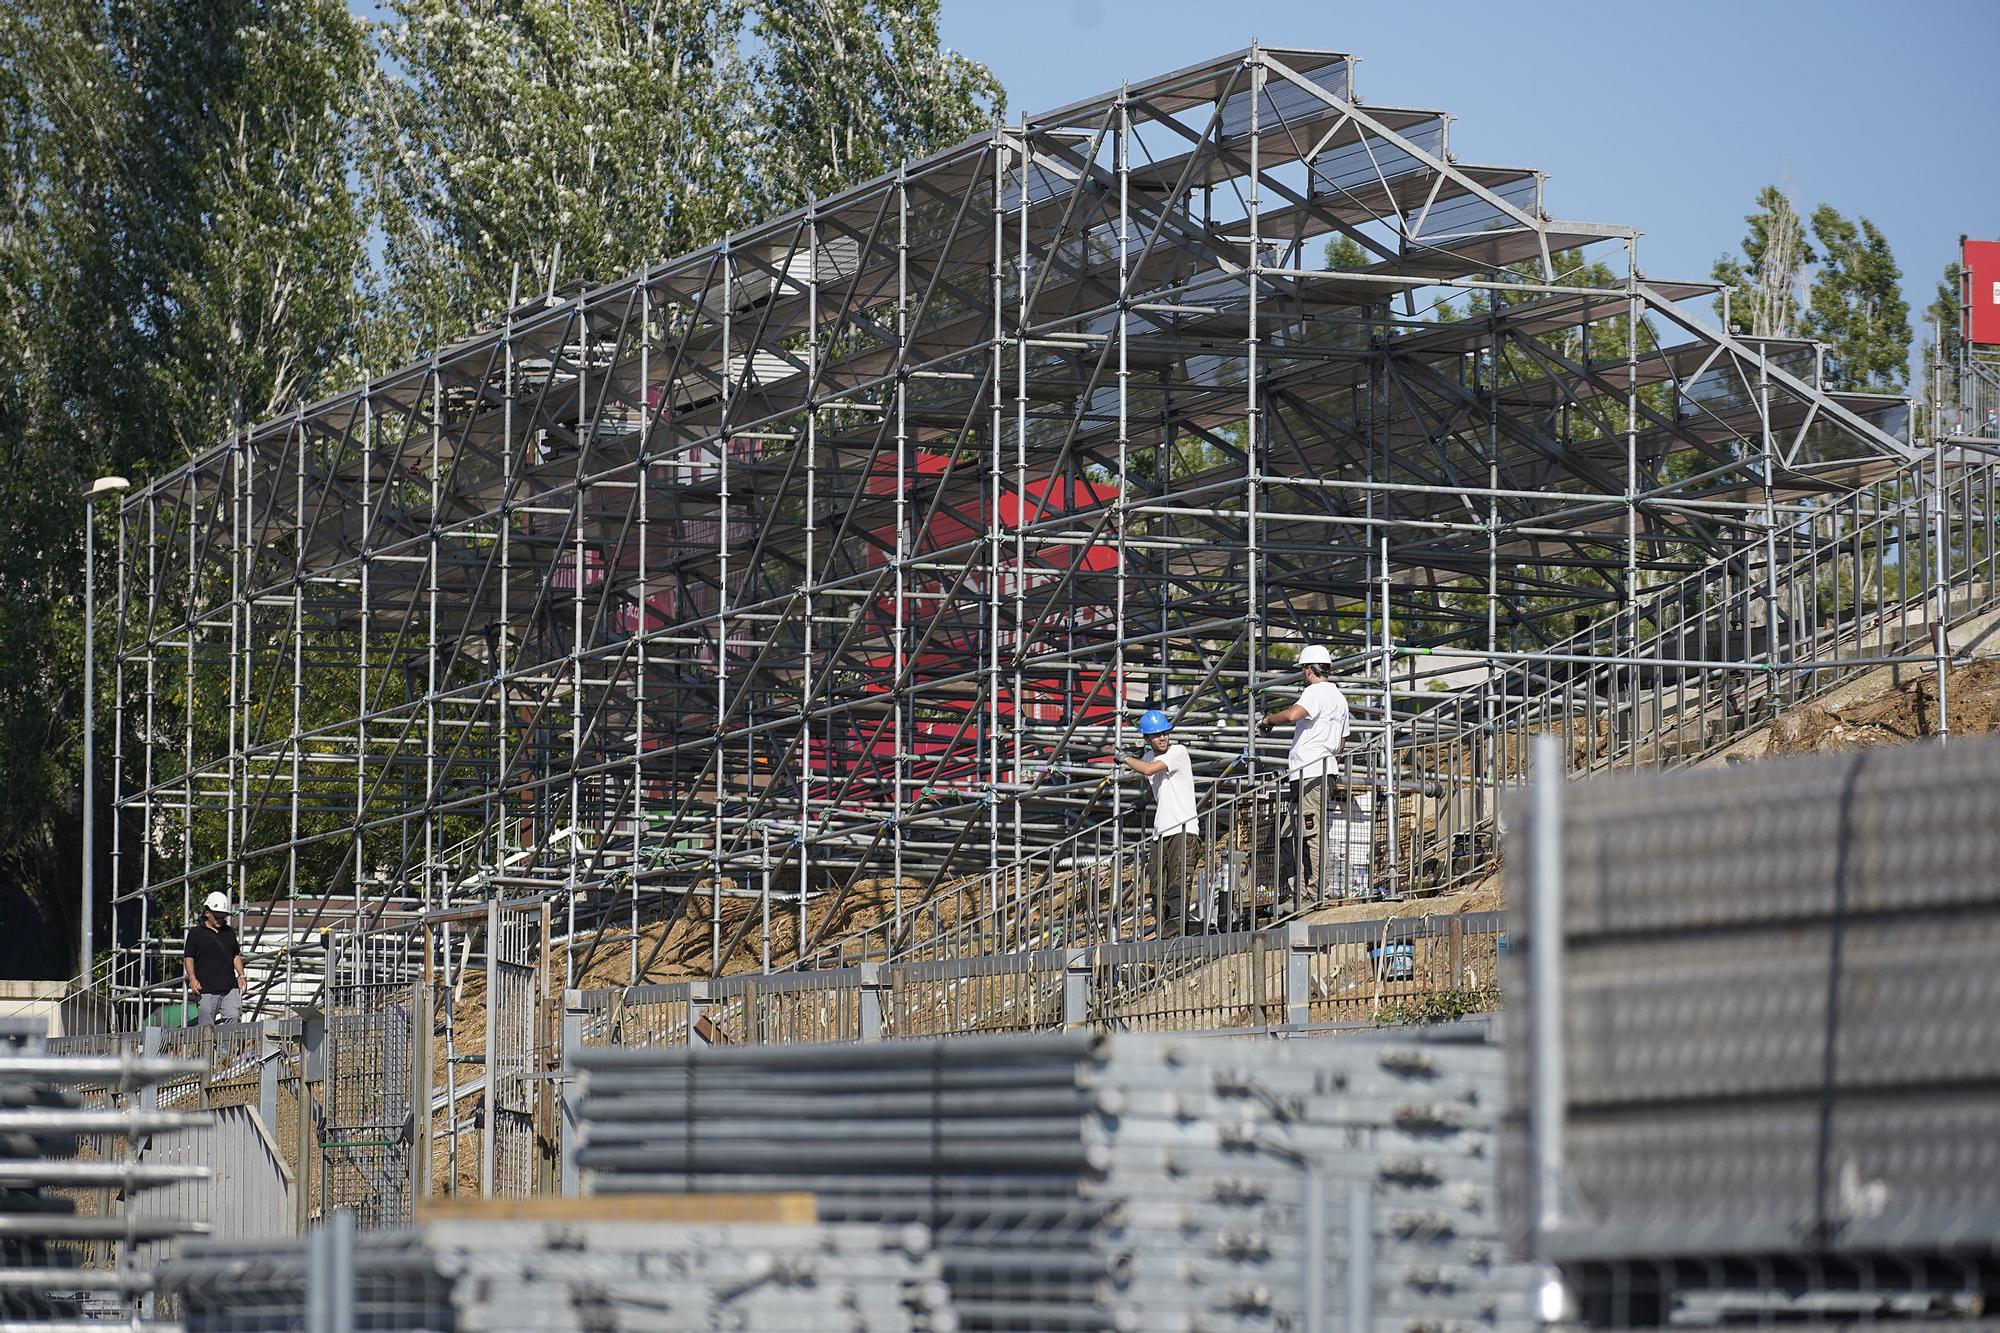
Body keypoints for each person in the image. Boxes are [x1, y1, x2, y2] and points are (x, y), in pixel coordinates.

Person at [1259, 645, 1353, 905]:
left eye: (1303, 669)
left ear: (1309, 669)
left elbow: (1293, 714)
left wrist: (1268, 720)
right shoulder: (1339, 699)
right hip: (1318, 772)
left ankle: (1314, 893)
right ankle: (1300, 891)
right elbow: (1342, 743)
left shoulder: (1315, 692)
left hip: (1312, 772)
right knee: (1293, 832)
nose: (1302, 673)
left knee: (1311, 833)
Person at [1114, 709, 1202, 938]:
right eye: (1156, 735)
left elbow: (1150, 770)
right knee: (1157, 888)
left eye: (1165, 733)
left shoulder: (1177, 752)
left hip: (1184, 829)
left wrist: (1125, 758)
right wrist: (1143, 801)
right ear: (1147, 739)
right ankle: (1165, 932)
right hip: (1161, 832)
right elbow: (1156, 783)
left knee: (1177, 883)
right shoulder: (1149, 758)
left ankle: (1175, 935)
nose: (1162, 738)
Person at [183, 891, 248, 1026]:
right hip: (206, 989)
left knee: (234, 1016)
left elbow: (235, 955)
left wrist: (241, 975)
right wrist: (192, 978)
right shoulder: (196, 933)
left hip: (229, 987)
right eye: (217, 916)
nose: (220, 920)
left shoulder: (228, 932)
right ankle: (206, 1048)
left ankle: (227, 1048)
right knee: (206, 1026)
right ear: (207, 913)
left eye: (223, 916)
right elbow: (188, 957)